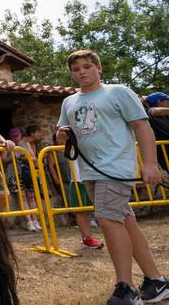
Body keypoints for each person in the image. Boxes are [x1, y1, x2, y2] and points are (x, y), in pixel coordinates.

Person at [57, 49, 167, 304]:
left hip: (115, 167)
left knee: (107, 220)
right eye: (76, 69)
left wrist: (150, 163)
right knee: (124, 221)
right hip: (90, 171)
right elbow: (62, 132)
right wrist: (61, 135)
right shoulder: (69, 102)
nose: (81, 72)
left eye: (86, 66)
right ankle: (156, 281)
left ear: (98, 68)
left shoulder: (118, 92)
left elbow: (142, 126)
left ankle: (126, 289)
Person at [46, 133, 104, 249]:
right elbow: (61, 135)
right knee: (81, 211)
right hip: (78, 179)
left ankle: (89, 236)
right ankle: (87, 238)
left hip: (90, 177)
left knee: (87, 210)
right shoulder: (70, 138)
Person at [1, 127, 40, 231]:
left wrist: (25, 157)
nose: (15, 138)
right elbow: (3, 159)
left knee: (31, 196)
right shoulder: (7, 144)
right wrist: (15, 156)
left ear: (20, 135)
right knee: (22, 197)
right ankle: (29, 222)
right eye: (13, 136)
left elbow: (34, 158)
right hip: (14, 173)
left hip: (26, 172)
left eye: (17, 136)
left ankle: (35, 220)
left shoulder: (25, 144)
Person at [143, 92, 169, 173]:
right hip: (164, 153)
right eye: (167, 100)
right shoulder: (151, 111)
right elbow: (154, 111)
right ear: (159, 102)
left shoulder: (165, 116)